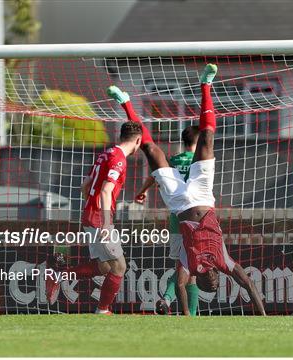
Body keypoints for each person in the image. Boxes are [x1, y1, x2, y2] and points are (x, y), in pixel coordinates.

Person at [108, 64, 266, 316]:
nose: (212, 283)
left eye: (207, 286)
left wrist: (185, 319)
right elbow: (246, 282)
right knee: (207, 138)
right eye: (214, 284)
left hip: (178, 203)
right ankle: (206, 85)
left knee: (151, 150)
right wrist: (263, 316)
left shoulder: (189, 265)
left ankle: (126, 103)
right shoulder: (224, 261)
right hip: (203, 195)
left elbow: (180, 285)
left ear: (200, 280)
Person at [46, 121, 143, 315]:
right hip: (100, 218)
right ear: (138, 141)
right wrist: (106, 223)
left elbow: (85, 185)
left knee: (104, 266)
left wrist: (92, 209)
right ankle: (103, 310)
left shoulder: (106, 154)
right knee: (119, 267)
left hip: (90, 215)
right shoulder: (119, 159)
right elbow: (106, 191)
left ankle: (59, 274)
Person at [134, 125, 201, 316]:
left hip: (175, 218)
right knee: (192, 270)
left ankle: (167, 299)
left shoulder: (173, 160)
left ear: (184, 141)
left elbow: (156, 175)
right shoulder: (199, 160)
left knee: (181, 265)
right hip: (195, 217)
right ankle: (192, 314)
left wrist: (142, 191)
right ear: (199, 140)